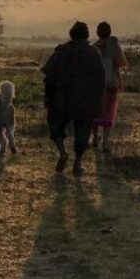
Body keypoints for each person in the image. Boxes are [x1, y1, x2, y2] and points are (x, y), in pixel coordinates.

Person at [42, 21, 106, 176]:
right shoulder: (93, 53)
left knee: (55, 124)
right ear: (86, 36)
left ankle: (63, 152)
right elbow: (101, 79)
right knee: (82, 132)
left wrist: (50, 95)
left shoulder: (62, 51)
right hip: (85, 101)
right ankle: (77, 163)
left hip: (62, 100)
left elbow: (47, 72)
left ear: (71, 34)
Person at [92, 21, 128, 153]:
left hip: (96, 85)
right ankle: (106, 143)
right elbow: (118, 66)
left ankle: (95, 138)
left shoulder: (94, 47)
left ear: (97, 33)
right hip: (111, 84)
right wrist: (120, 82)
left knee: (96, 111)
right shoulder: (114, 46)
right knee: (109, 112)